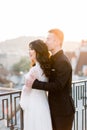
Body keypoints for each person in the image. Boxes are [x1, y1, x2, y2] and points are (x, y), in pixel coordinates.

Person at [28, 28, 75, 130]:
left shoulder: (63, 61)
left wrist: (35, 84)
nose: (45, 41)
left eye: (48, 39)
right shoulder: (52, 60)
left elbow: (58, 86)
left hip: (63, 112)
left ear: (57, 41)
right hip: (53, 109)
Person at [20, 39, 52, 130]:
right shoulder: (45, 67)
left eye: (31, 49)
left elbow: (26, 90)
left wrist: (23, 103)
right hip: (43, 103)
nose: (29, 52)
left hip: (34, 104)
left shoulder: (34, 70)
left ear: (38, 51)